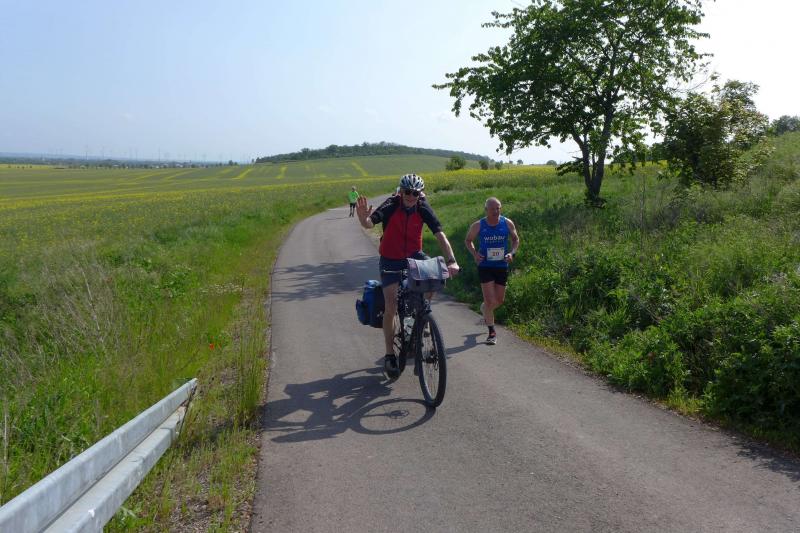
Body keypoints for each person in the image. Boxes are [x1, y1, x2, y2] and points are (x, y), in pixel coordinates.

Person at [356, 173, 460, 374]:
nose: (411, 196)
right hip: (390, 258)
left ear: (420, 194)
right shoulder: (392, 204)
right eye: (407, 192)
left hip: (414, 255)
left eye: (415, 193)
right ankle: (389, 354)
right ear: (401, 192)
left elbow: (440, 235)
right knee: (391, 305)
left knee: (435, 275)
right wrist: (364, 220)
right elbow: (371, 222)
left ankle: (422, 316)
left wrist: (452, 261)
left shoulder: (422, 207)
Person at [464, 197, 520, 345]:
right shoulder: (478, 225)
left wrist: (512, 253)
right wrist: (475, 254)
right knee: (490, 300)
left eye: (498, 208)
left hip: (501, 266)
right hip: (485, 266)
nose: (496, 211)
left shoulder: (507, 223)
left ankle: (484, 308)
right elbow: (468, 240)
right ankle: (492, 332)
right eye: (492, 209)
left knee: (499, 301)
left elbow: (516, 239)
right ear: (486, 210)